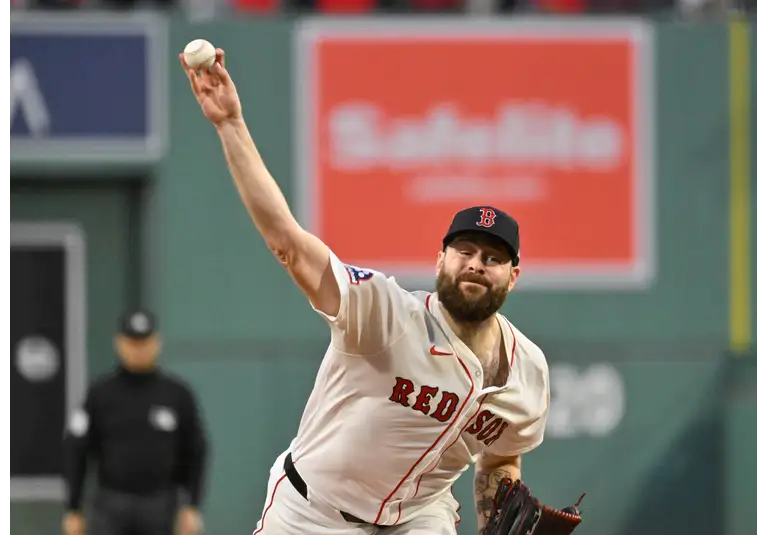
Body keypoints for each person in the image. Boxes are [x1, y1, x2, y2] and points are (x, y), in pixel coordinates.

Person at [180, 48, 550, 535]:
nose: (476, 265)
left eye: (493, 258)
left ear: (513, 275)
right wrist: (230, 124)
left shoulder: (527, 372)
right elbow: (289, 245)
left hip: (417, 515)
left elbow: (501, 457)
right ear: (440, 259)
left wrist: (494, 516)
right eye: (464, 251)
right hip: (315, 512)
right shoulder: (386, 314)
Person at [62, 310, 209, 535]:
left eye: (144, 342)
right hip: (110, 504)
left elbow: (196, 450)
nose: (138, 349)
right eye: (132, 342)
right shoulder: (100, 394)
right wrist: (73, 508)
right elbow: (76, 450)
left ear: (157, 342)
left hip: (160, 504)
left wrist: (192, 506)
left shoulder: (176, 394)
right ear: (119, 343)